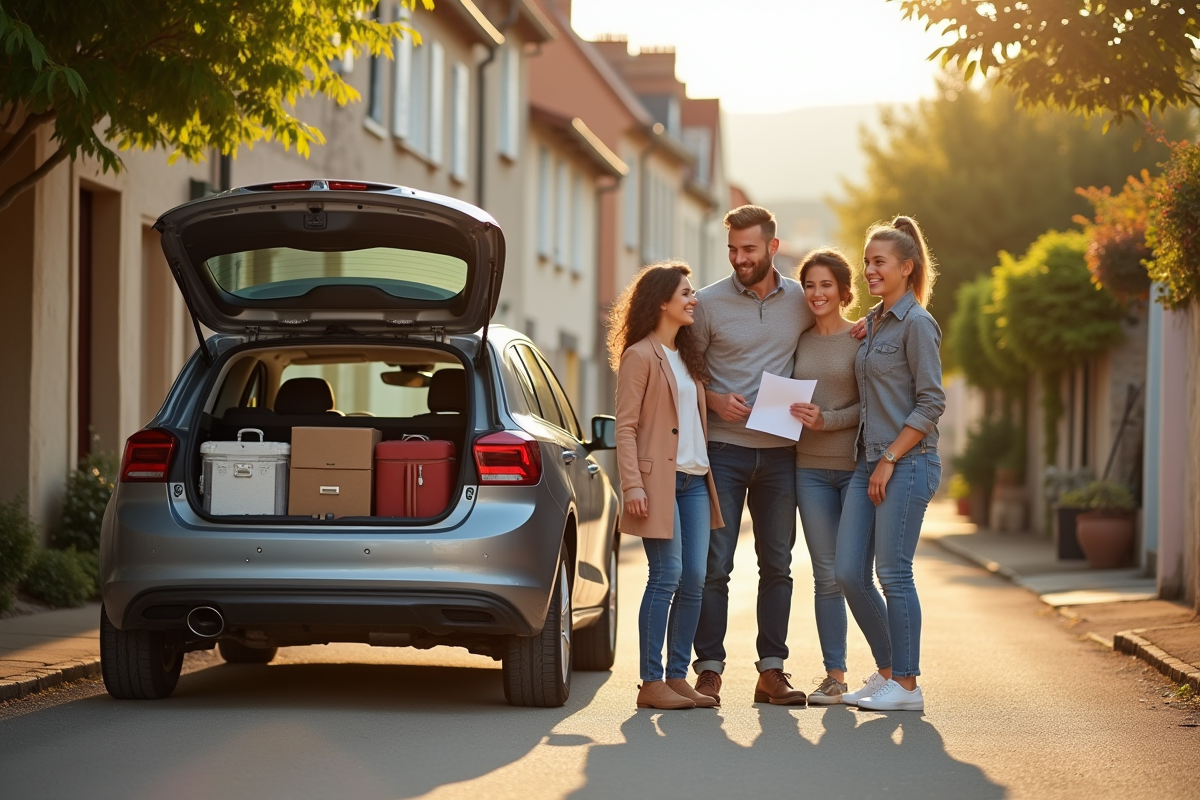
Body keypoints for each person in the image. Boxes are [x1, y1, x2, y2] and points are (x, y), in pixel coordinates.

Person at [690, 205, 815, 706]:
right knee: (715, 564)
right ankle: (709, 669)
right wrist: (715, 399)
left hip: (782, 454)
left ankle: (772, 671)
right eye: (733, 250)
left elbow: (833, 326)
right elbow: (687, 371)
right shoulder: (707, 303)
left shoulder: (802, 302)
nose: (740, 259)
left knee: (778, 564)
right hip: (723, 449)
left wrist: (857, 332)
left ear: (772, 248)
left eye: (749, 249)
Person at [835, 216, 945, 712]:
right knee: (847, 572)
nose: (869, 270)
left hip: (907, 461)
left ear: (906, 267)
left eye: (878, 262)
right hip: (868, 460)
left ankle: (906, 685)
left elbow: (930, 403)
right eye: (866, 262)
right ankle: (886, 672)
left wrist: (890, 460)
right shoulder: (877, 322)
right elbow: (876, 392)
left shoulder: (918, 325)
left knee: (894, 573)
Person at [611, 261, 726, 711]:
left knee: (696, 579)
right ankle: (650, 680)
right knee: (667, 576)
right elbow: (625, 428)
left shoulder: (686, 355)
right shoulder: (640, 355)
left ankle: (678, 676)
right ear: (662, 301)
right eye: (685, 293)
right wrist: (633, 485)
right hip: (658, 483)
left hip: (696, 481)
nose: (693, 299)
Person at [787, 248, 864, 705]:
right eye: (810, 285)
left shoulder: (861, 338)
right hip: (808, 470)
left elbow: (873, 406)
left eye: (826, 285)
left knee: (855, 573)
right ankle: (835, 676)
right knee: (825, 575)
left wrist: (827, 420)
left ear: (843, 291)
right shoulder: (798, 341)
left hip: (855, 469)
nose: (817, 294)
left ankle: (891, 671)